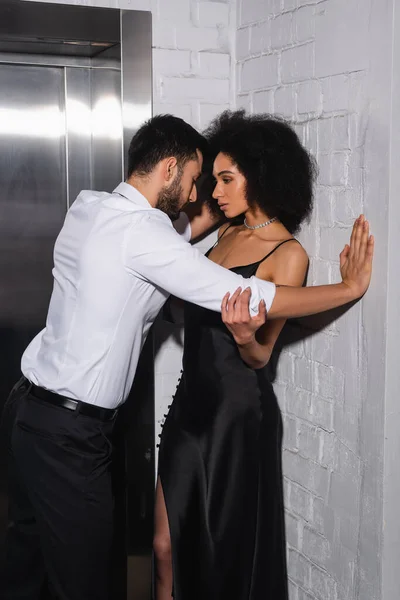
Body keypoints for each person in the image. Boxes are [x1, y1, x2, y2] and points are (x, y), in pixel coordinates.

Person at [0, 113, 372, 600]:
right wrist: (347, 287)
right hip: (70, 436)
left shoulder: (89, 207)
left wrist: (233, 208)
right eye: (198, 179)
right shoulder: (145, 237)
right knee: (86, 584)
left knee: (26, 574)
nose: (200, 195)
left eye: (220, 181)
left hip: (29, 416)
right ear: (170, 168)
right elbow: (239, 292)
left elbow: (162, 256)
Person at [154, 111, 374, 600]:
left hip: (238, 418)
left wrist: (244, 335)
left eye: (227, 179)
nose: (217, 191)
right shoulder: (226, 232)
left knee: (222, 558)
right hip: (188, 405)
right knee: (165, 548)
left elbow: (261, 356)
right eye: (214, 179)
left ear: (262, 176)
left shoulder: (287, 254)